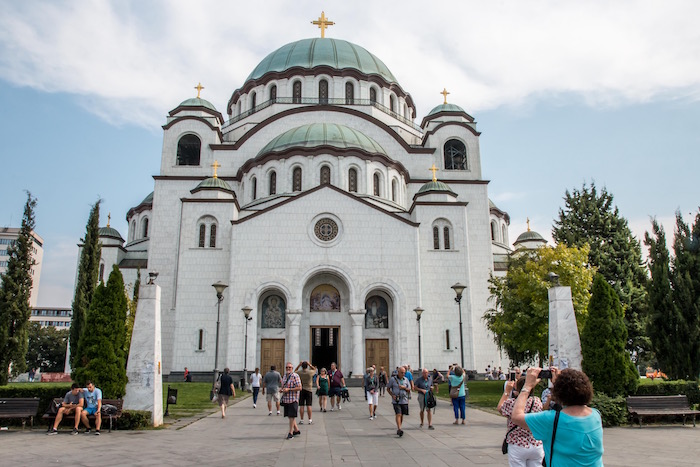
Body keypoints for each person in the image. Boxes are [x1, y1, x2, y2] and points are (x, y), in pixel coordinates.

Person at [511, 368, 604, 467]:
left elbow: (516, 416)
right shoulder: (595, 415)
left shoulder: (551, 420)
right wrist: (559, 384)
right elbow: (570, 402)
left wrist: (527, 386)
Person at [497, 377, 544, 466]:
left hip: (517, 443)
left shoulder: (512, 403)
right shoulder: (537, 401)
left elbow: (500, 408)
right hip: (535, 442)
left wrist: (507, 391)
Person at [387, 365, 411, 437]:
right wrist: (392, 395)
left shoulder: (406, 380)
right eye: (401, 372)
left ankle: (399, 426)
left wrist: (404, 387)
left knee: (402, 414)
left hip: (404, 400)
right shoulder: (392, 379)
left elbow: (409, 389)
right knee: (398, 414)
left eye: (404, 372)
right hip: (396, 400)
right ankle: (399, 428)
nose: (403, 374)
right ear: (398, 372)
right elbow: (388, 388)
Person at [281, 362, 302, 439]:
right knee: (290, 416)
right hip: (286, 399)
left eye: (289, 367)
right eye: (287, 367)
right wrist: (282, 389)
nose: (288, 369)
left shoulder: (295, 376)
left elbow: (300, 387)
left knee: (292, 416)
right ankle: (296, 430)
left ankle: (290, 432)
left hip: (293, 399)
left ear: (292, 368)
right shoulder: (284, 376)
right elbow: (284, 386)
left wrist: (289, 389)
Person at [295, 360, 316, 425]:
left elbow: (295, 371)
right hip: (309, 389)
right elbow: (315, 369)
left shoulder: (299, 373)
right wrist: (310, 364)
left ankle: (301, 420)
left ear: (302, 366)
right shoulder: (310, 372)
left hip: (301, 389)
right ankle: (310, 419)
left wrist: (299, 365)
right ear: (307, 366)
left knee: (301, 405)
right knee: (309, 405)